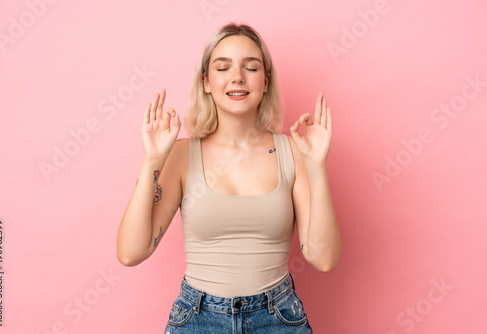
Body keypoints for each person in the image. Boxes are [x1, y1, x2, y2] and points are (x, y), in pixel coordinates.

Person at [116, 22, 341, 333]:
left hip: (278, 318)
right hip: (197, 318)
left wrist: (317, 166)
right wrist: (152, 160)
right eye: (223, 68)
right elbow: (131, 252)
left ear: (266, 81)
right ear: (206, 81)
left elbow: (323, 258)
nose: (238, 77)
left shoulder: (295, 152)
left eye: (251, 67)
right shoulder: (181, 155)